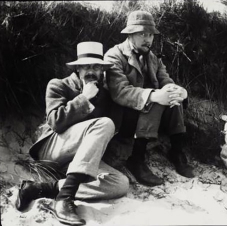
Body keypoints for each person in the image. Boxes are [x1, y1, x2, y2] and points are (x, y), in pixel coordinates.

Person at [15, 42, 129, 225]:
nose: (91, 71)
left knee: (120, 183)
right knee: (105, 123)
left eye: (96, 66)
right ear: (77, 68)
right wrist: (84, 98)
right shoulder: (58, 85)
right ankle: (64, 199)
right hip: (53, 150)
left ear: (102, 70)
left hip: (78, 162)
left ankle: (42, 188)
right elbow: (56, 123)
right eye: (86, 66)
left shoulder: (106, 96)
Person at [104, 10, 195, 187]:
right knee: (155, 100)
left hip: (146, 117)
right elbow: (120, 92)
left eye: (151, 35)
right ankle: (136, 159)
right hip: (122, 115)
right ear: (130, 34)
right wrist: (153, 96)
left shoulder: (152, 58)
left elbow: (166, 80)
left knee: (172, 97)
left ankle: (176, 151)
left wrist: (179, 92)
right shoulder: (114, 56)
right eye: (142, 34)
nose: (148, 39)